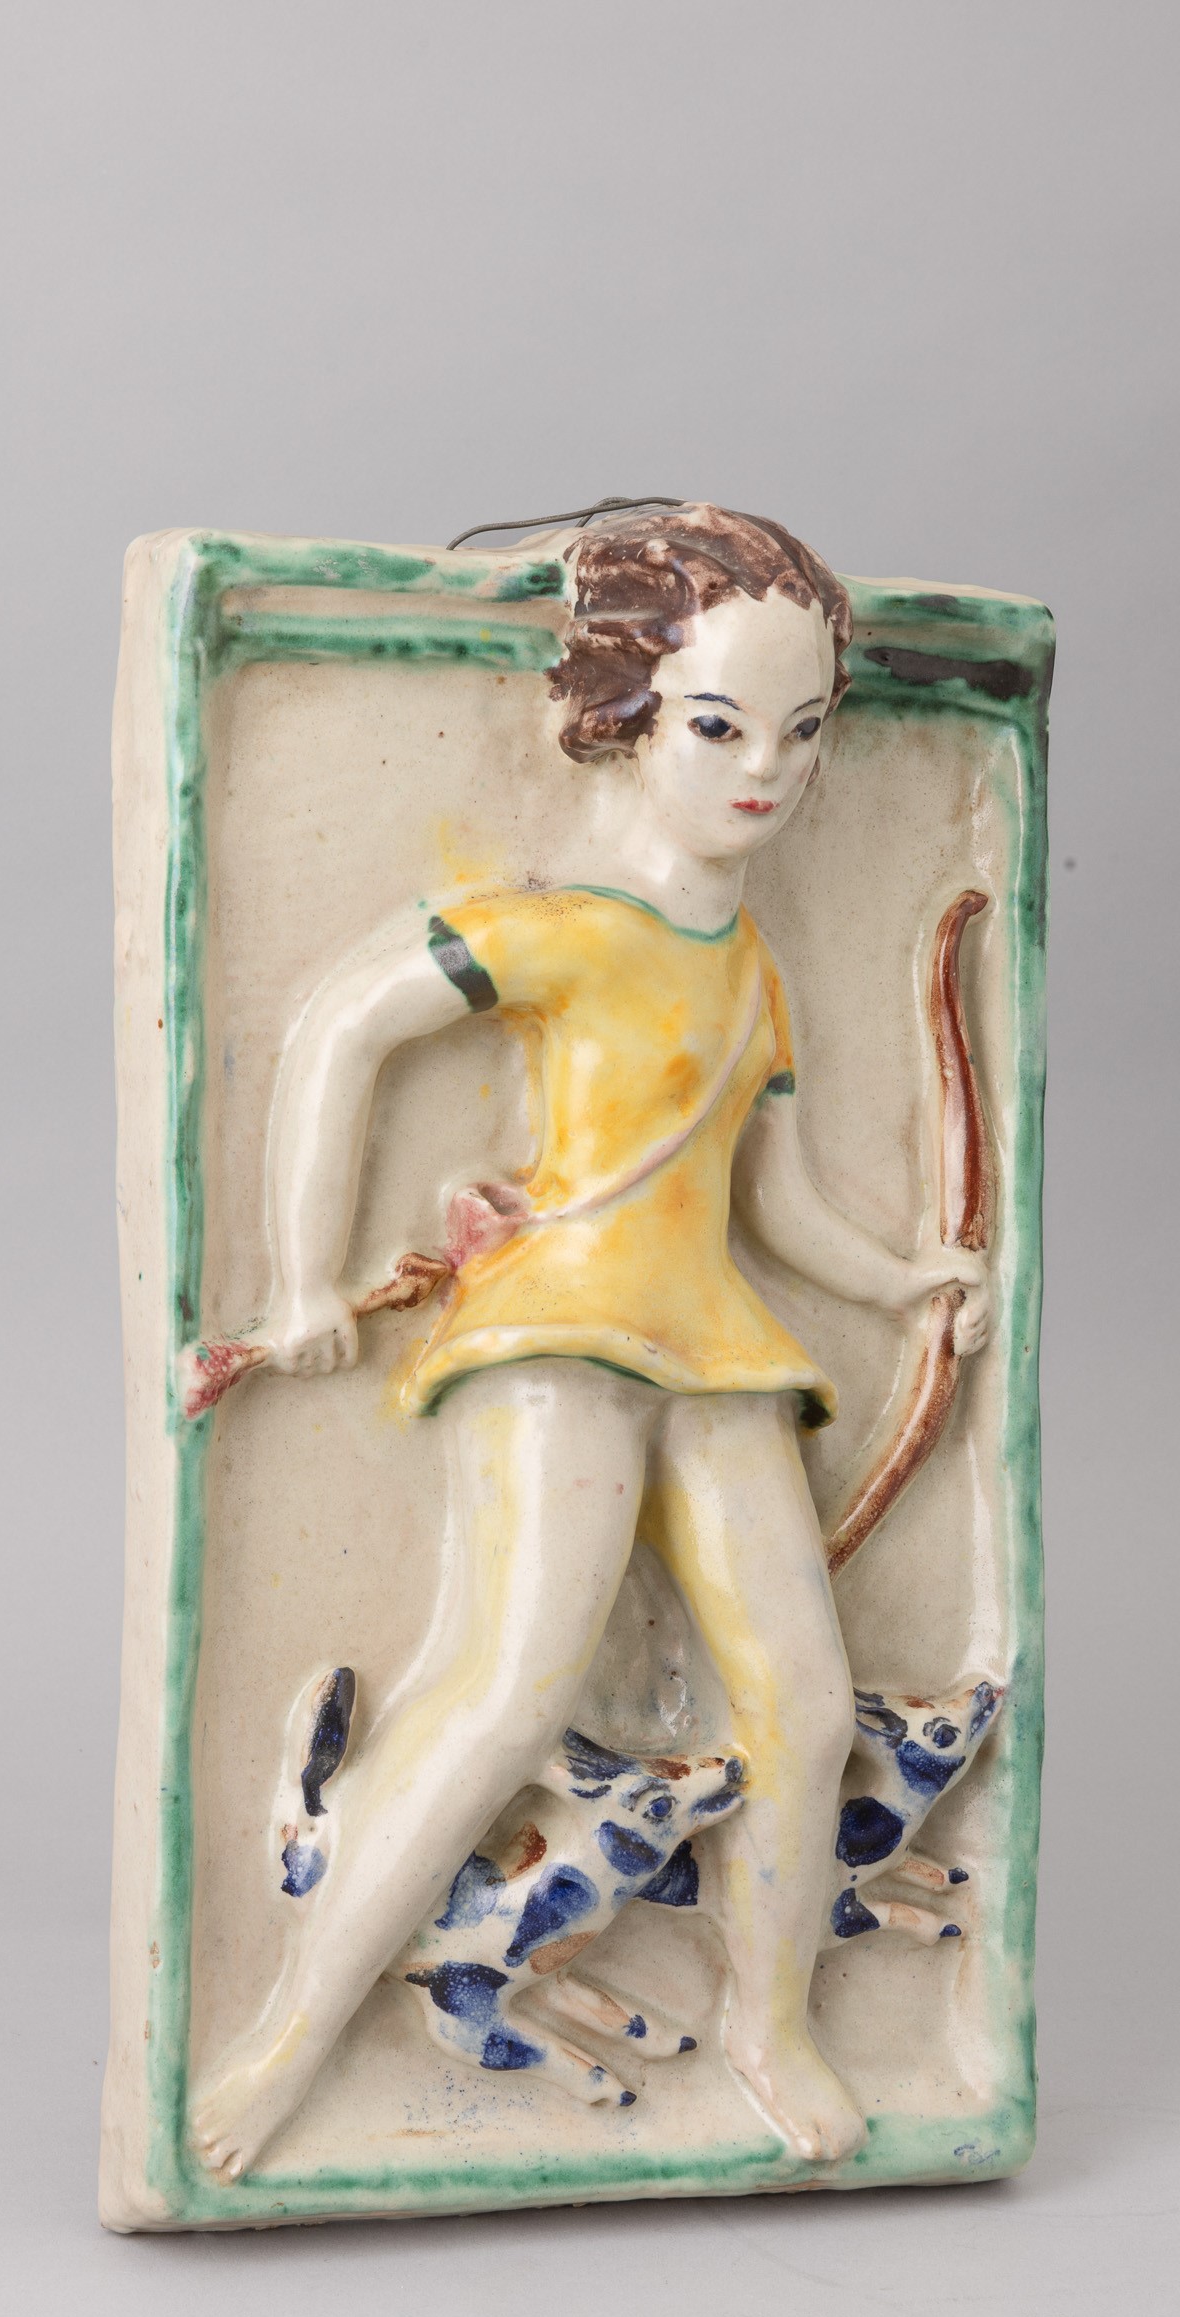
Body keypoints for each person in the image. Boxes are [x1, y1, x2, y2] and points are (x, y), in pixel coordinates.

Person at [190, 506, 990, 2178]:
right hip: (558, 1333)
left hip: (715, 1348)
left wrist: (908, 1277)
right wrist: (302, 1277)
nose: (768, 771)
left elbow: (776, 1202)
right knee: (506, 1688)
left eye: (804, 731)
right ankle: (286, 2041)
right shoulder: (566, 923)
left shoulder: (750, 965)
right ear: (626, 716)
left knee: (807, 1703)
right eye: (719, 726)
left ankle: (770, 2024)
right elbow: (342, 1034)